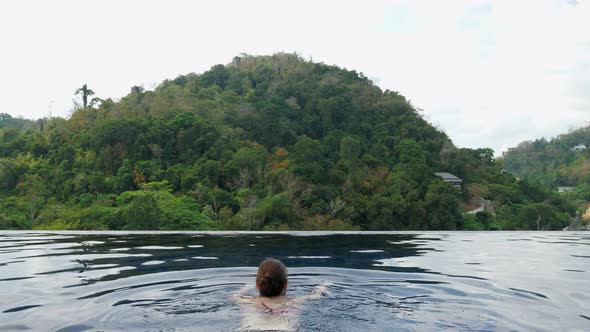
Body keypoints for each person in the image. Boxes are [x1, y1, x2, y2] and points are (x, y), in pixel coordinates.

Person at [234, 258, 329, 331]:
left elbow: (235, 295)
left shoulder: (247, 301)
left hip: (252, 328)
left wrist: (246, 287)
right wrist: (323, 286)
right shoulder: (294, 301)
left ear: (257, 284)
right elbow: (316, 295)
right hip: (283, 329)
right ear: (286, 284)